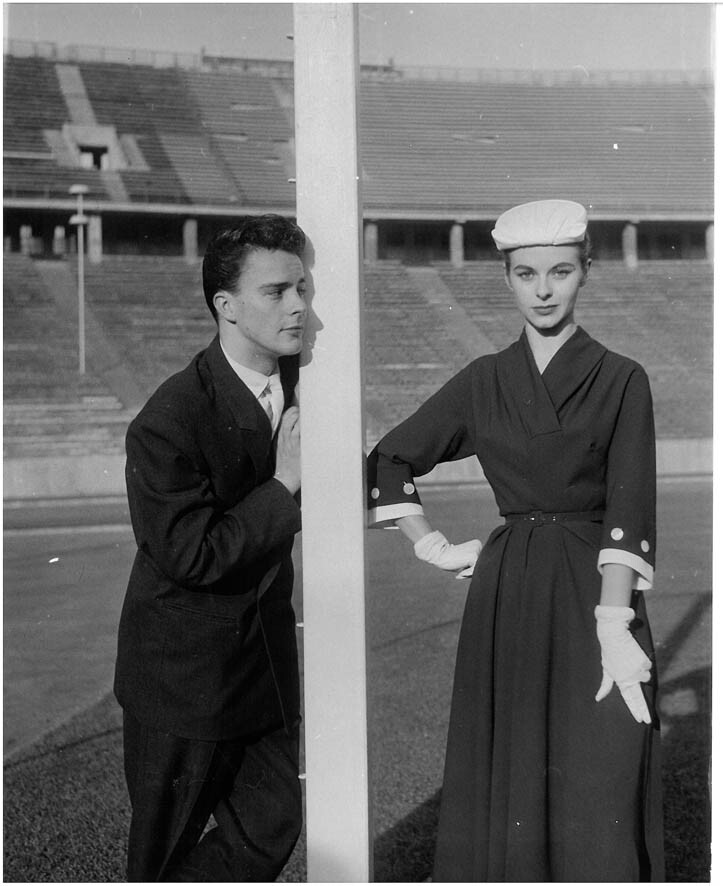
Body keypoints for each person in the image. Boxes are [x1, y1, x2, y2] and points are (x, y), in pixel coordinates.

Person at [367, 200, 664, 881]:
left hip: (596, 592)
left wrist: (614, 624)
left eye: (560, 272)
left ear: (585, 271)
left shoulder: (622, 377)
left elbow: (629, 506)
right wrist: (432, 545)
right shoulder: (484, 380)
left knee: (603, 763)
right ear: (506, 278)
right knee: (514, 760)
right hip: (509, 590)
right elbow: (390, 459)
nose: (543, 290)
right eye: (526, 274)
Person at [114, 214, 308, 881]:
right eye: (276, 292)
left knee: (273, 823)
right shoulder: (169, 419)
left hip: (262, 671)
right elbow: (191, 554)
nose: (298, 306)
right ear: (226, 306)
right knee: (161, 855)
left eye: (301, 289)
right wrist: (284, 483)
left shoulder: (309, 383)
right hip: (182, 680)